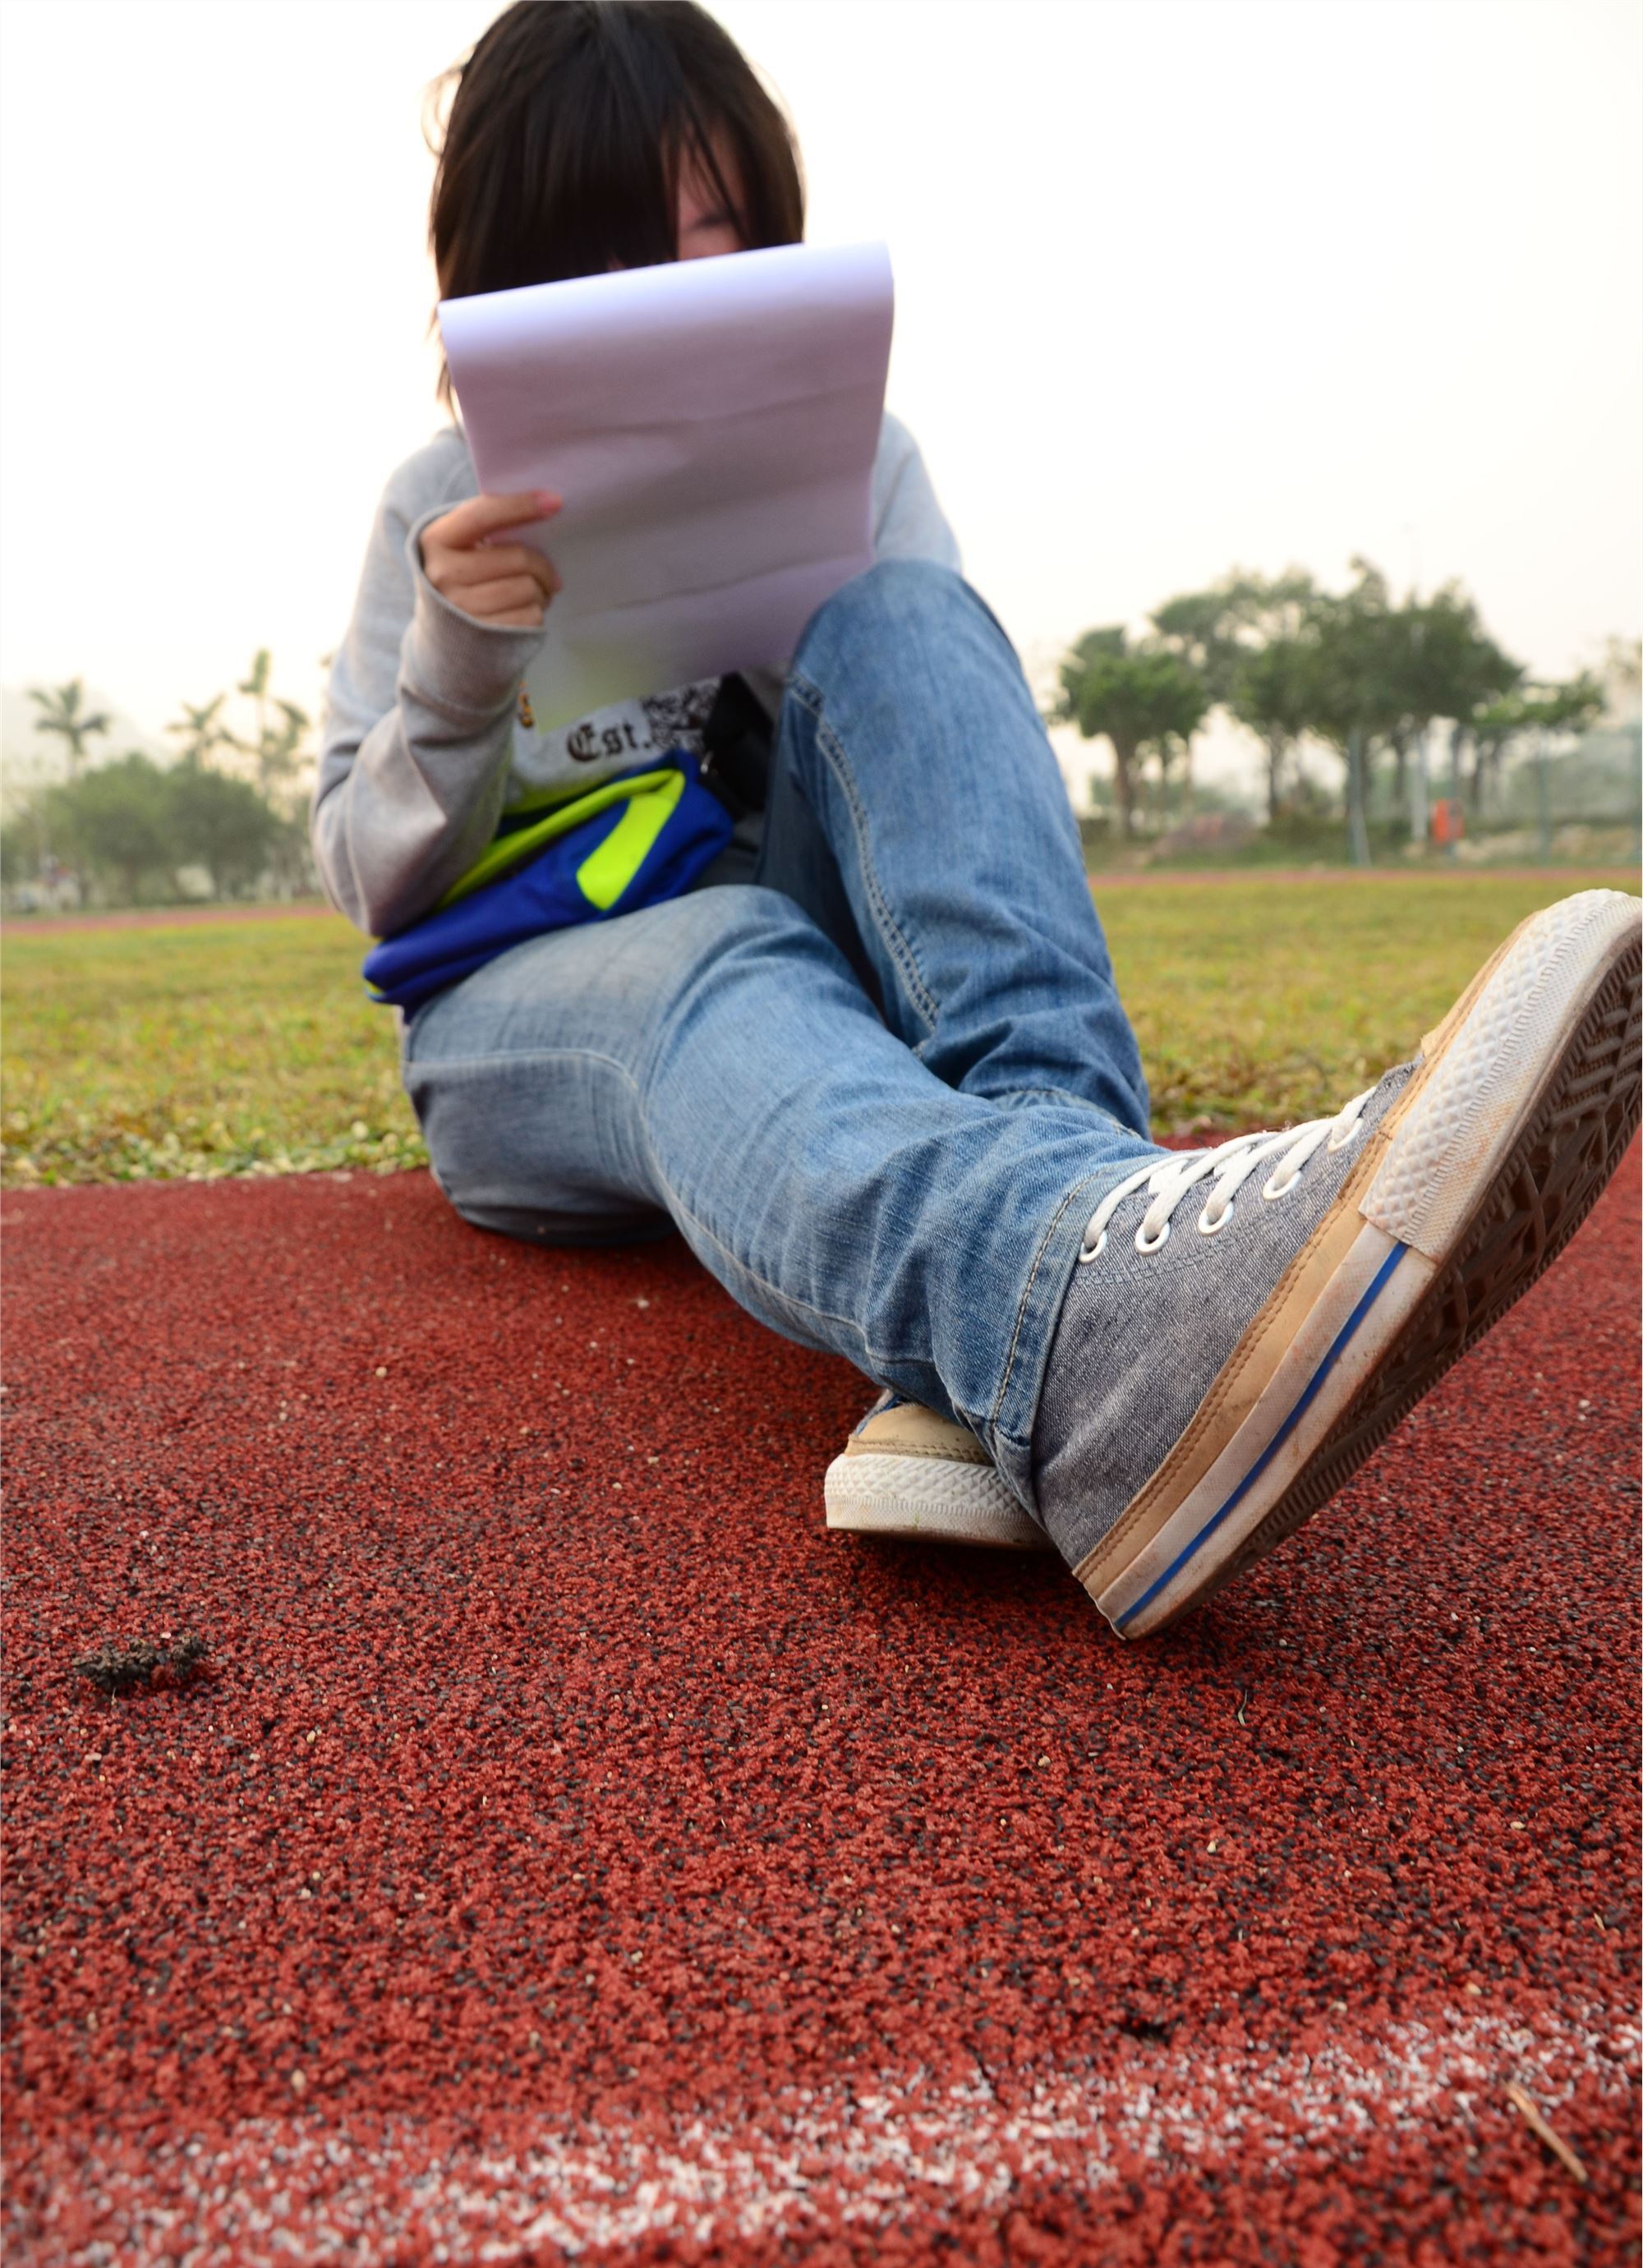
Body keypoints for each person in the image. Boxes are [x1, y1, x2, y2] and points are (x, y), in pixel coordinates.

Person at [313, 0, 1641, 1640]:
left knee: (917, 623)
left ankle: (1060, 1265)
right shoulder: (433, 503)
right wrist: (458, 667)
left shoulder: (862, 457)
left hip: (813, 975)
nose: (681, 280)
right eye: (617, 246)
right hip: (536, 1021)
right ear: (511, 275)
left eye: (718, 229)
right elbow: (372, 884)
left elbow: (935, 798)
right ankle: (1087, 1315)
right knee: (725, 941)